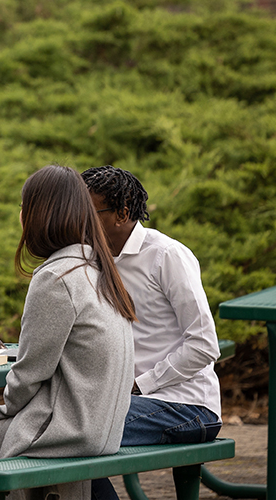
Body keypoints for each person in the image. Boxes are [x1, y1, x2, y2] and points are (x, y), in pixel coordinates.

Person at [0, 165, 138, 500]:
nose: (20, 215)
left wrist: (3, 417)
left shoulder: (57, 277)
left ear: (40, 215)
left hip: (64, 431)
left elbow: (30, 374)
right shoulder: (99, 269)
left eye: (24, 206)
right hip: (103, 429)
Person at [82, 165, 222, 499]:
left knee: (74, 433)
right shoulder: (91, 258)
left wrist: (138, 385)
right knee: (55, 426)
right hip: (123, 401)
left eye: (88, 212)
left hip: (187, 407)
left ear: (122, 213)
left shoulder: (166, 256)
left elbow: (204, 344)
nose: (79, 221)